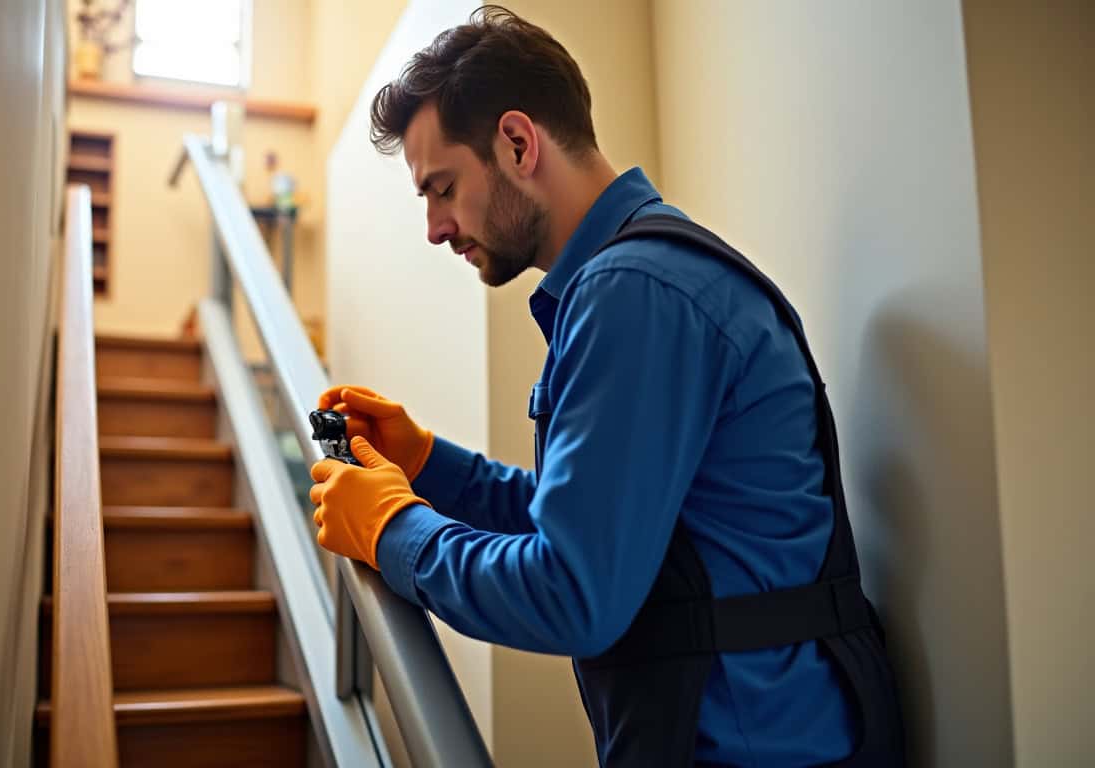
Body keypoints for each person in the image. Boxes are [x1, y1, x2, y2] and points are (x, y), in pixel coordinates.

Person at [307, 7, 904, 766]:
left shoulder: (633, 292)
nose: (433, 226)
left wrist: (394, 532)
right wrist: (428, 465)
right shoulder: (642, 278)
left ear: (518, 143)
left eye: (443, 187)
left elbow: (571, 591)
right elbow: (597, 524)